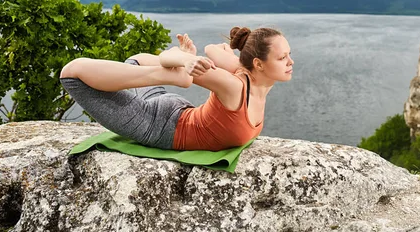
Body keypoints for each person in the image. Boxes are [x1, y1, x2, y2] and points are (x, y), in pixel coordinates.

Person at [59, 26, 294, 151]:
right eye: (282, 57)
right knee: (72, 73)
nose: (290, 62)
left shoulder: (249, 74)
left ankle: (171, 73)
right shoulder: (234, 86)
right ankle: (169, 74)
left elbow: (213, 49)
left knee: (135, 60)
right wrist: (183, 60)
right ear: (259, 64)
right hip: (157, 126)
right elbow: (166, 54)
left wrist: (196, 56)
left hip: (176, 110)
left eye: (288, 55)